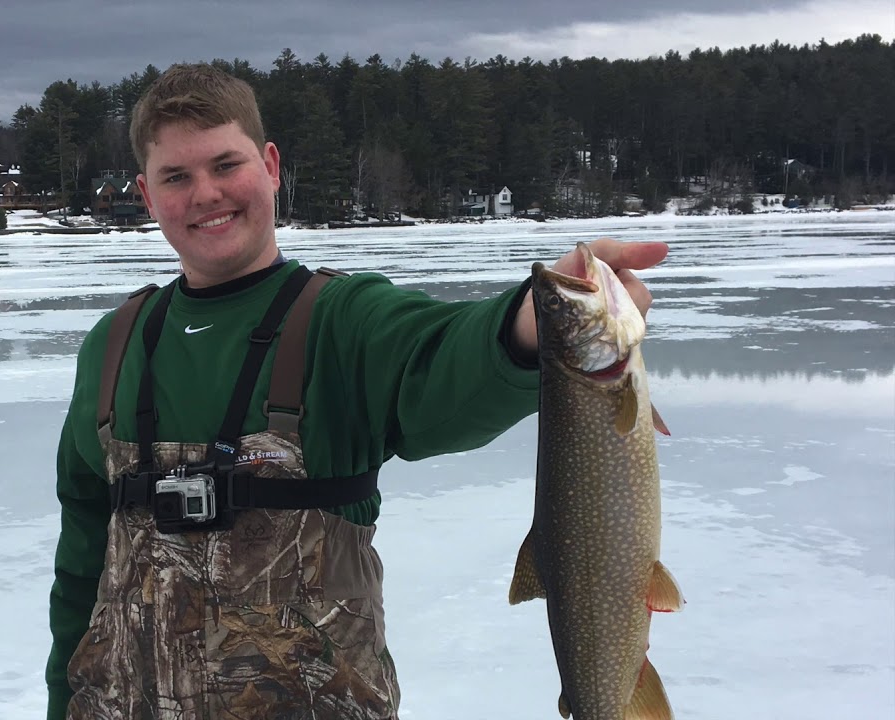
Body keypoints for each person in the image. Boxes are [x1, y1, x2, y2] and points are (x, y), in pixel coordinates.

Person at [45, 63, 668, 720]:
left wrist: (530, 325)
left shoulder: (343, 320)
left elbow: (441, 355)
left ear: (271, 165)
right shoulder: (112, 348)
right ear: (147, 194)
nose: (206, 193)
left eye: (225, 165)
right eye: (177, 176)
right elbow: (82, 562)